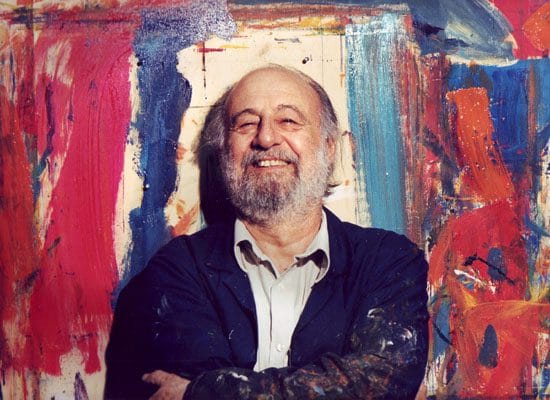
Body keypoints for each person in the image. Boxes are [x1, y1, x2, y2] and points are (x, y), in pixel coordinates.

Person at [104, 65, 429, 400]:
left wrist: (205, 392)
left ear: (329, 146)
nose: (266, 138)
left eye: (288, 120)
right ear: (224, 151)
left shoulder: (388, 262)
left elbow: (382, 380)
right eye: (246, 124)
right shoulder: (177, 269)